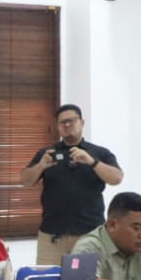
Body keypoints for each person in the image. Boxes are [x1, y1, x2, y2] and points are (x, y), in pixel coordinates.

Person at [20, 103, 124, 264]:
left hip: (89, 235)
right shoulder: (47, 153)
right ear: (58, 127)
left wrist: (92, 162)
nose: (67, 125)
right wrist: (41, 165)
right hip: (52, 236)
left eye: (72, 120)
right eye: (62, 122)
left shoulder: (99, 153)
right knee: (48, 278)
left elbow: (116, 178)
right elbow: (25, 181)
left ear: (82, 123)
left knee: (88, 279)